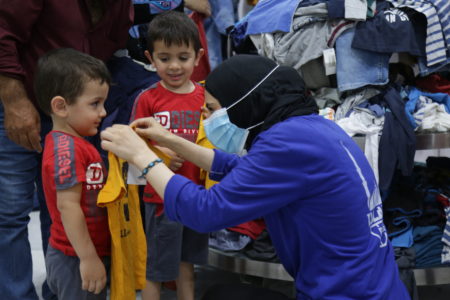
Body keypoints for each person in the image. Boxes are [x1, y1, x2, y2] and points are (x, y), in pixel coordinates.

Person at [101, 54, 411, 300]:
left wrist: (142, 157)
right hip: (372, 288)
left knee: (220, 295)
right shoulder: (310, 129)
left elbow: (205, 210)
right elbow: (245, 170)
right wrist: (170, 140)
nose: (207, 120)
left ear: (244, 104)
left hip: (345, 294)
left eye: (212, 109)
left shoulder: (286, 143)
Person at [0, 2, 132, 299]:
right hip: (20, 98)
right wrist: (13, 98)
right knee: (10, 212)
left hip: (73, 112)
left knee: (60, 203)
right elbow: (3, 32)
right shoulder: (67, 149)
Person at [130, 10, 209, 300]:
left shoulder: (204, 96)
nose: (174, 66)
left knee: (186, 264)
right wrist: (158, 152)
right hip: (161, 198)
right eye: (165, 58)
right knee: (156, 269)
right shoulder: (147, 98)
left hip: (198, 196)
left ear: (198, 57)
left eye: (183, 57)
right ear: (151, 59)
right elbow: (132, 142)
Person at [35, 48, 111, 300]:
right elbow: (68, 207)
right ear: (61, 106)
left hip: (82, 254)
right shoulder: (65, 150)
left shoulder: (77, 143)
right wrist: (88, 258)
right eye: (95, 104)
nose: (103, 112)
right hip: (74, 258)